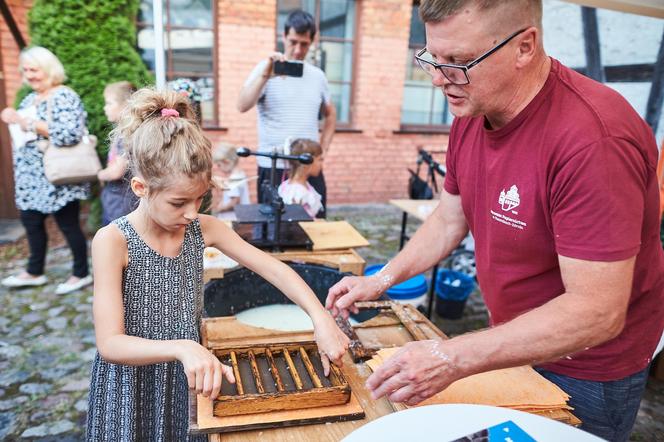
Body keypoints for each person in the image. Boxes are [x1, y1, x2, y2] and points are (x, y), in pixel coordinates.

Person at [325, 1, 664, 440]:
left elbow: (597, 312)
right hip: (511, 338)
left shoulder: (594, 141)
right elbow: (450, 218)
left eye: (459, 62)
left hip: (590, 367)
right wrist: (382, 278)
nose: (438, 79)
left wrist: (452, 356)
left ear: (525, 47)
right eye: (432, 58)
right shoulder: (474, 106)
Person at [86, 88, 349, 441]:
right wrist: (182, 347)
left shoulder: (203, 229)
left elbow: (275, 269)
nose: (192, 212)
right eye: (179, 202)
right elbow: (110, 343)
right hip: (131, 387)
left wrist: (321, 318)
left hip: (186, 377)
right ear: (140, 187)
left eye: (200, 198)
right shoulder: (113, 241)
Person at [0, 46, 92, 295]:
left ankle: (81, 273)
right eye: (26, 70)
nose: (29, 75)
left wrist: (25, 122)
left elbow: (70, 133)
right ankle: (34, 271)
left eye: (35, 69)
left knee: (68, 225)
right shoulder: (30, 99)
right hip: (31, 177)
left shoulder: (64, 96)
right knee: (31, 222)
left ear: (49, 69)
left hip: (58, 175)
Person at [237, 9, 336, 217]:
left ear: (312, 42)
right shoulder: (265, 69)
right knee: (273, 230)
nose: (298, 50)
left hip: (307, 165)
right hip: (273, 166)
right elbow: (242, 105)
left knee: (314, 226)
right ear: (283, 37)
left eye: (304, 44)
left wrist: (323, 150)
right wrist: (266, 74)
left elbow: (330, 114)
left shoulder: (318, 76)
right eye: (293, 42)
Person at [98, 81, 138, 226]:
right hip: (120, 203)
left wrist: (99, 174)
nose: (105, 108)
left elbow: (117, 171)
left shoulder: (126, 134)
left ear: (125, 105)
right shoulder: (125, 131)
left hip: (120, 205)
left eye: (109, 103)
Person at [278, 138, 323, 218]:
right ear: (307, 163)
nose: (321, 164)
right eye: (320, 159)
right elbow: (296, 221)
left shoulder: (304, 185)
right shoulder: (295, 193)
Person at [211, 142, 250, 219]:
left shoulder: (233, 179)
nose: (218, 168)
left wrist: (218, 209)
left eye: (219, 165)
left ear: (226, 162)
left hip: (230, 218)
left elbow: (234, 202)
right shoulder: (240, 174)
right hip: (238, 217)